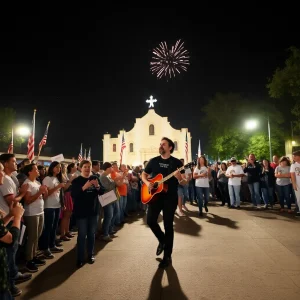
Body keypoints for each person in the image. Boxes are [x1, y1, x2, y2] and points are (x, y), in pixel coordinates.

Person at [142, 137, 186, 268]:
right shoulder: (153, 161)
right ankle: (162, 240)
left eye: (163, 144)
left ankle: (167, 256)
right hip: (155, 197)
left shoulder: (177, 162)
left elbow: (185, 181)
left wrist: (179, 178)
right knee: (150, 221)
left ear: (170, 147)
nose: (161, 146)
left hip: (170, 197)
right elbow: (143, 174)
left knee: (168, 226)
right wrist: (147, 183)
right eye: (160, 144)